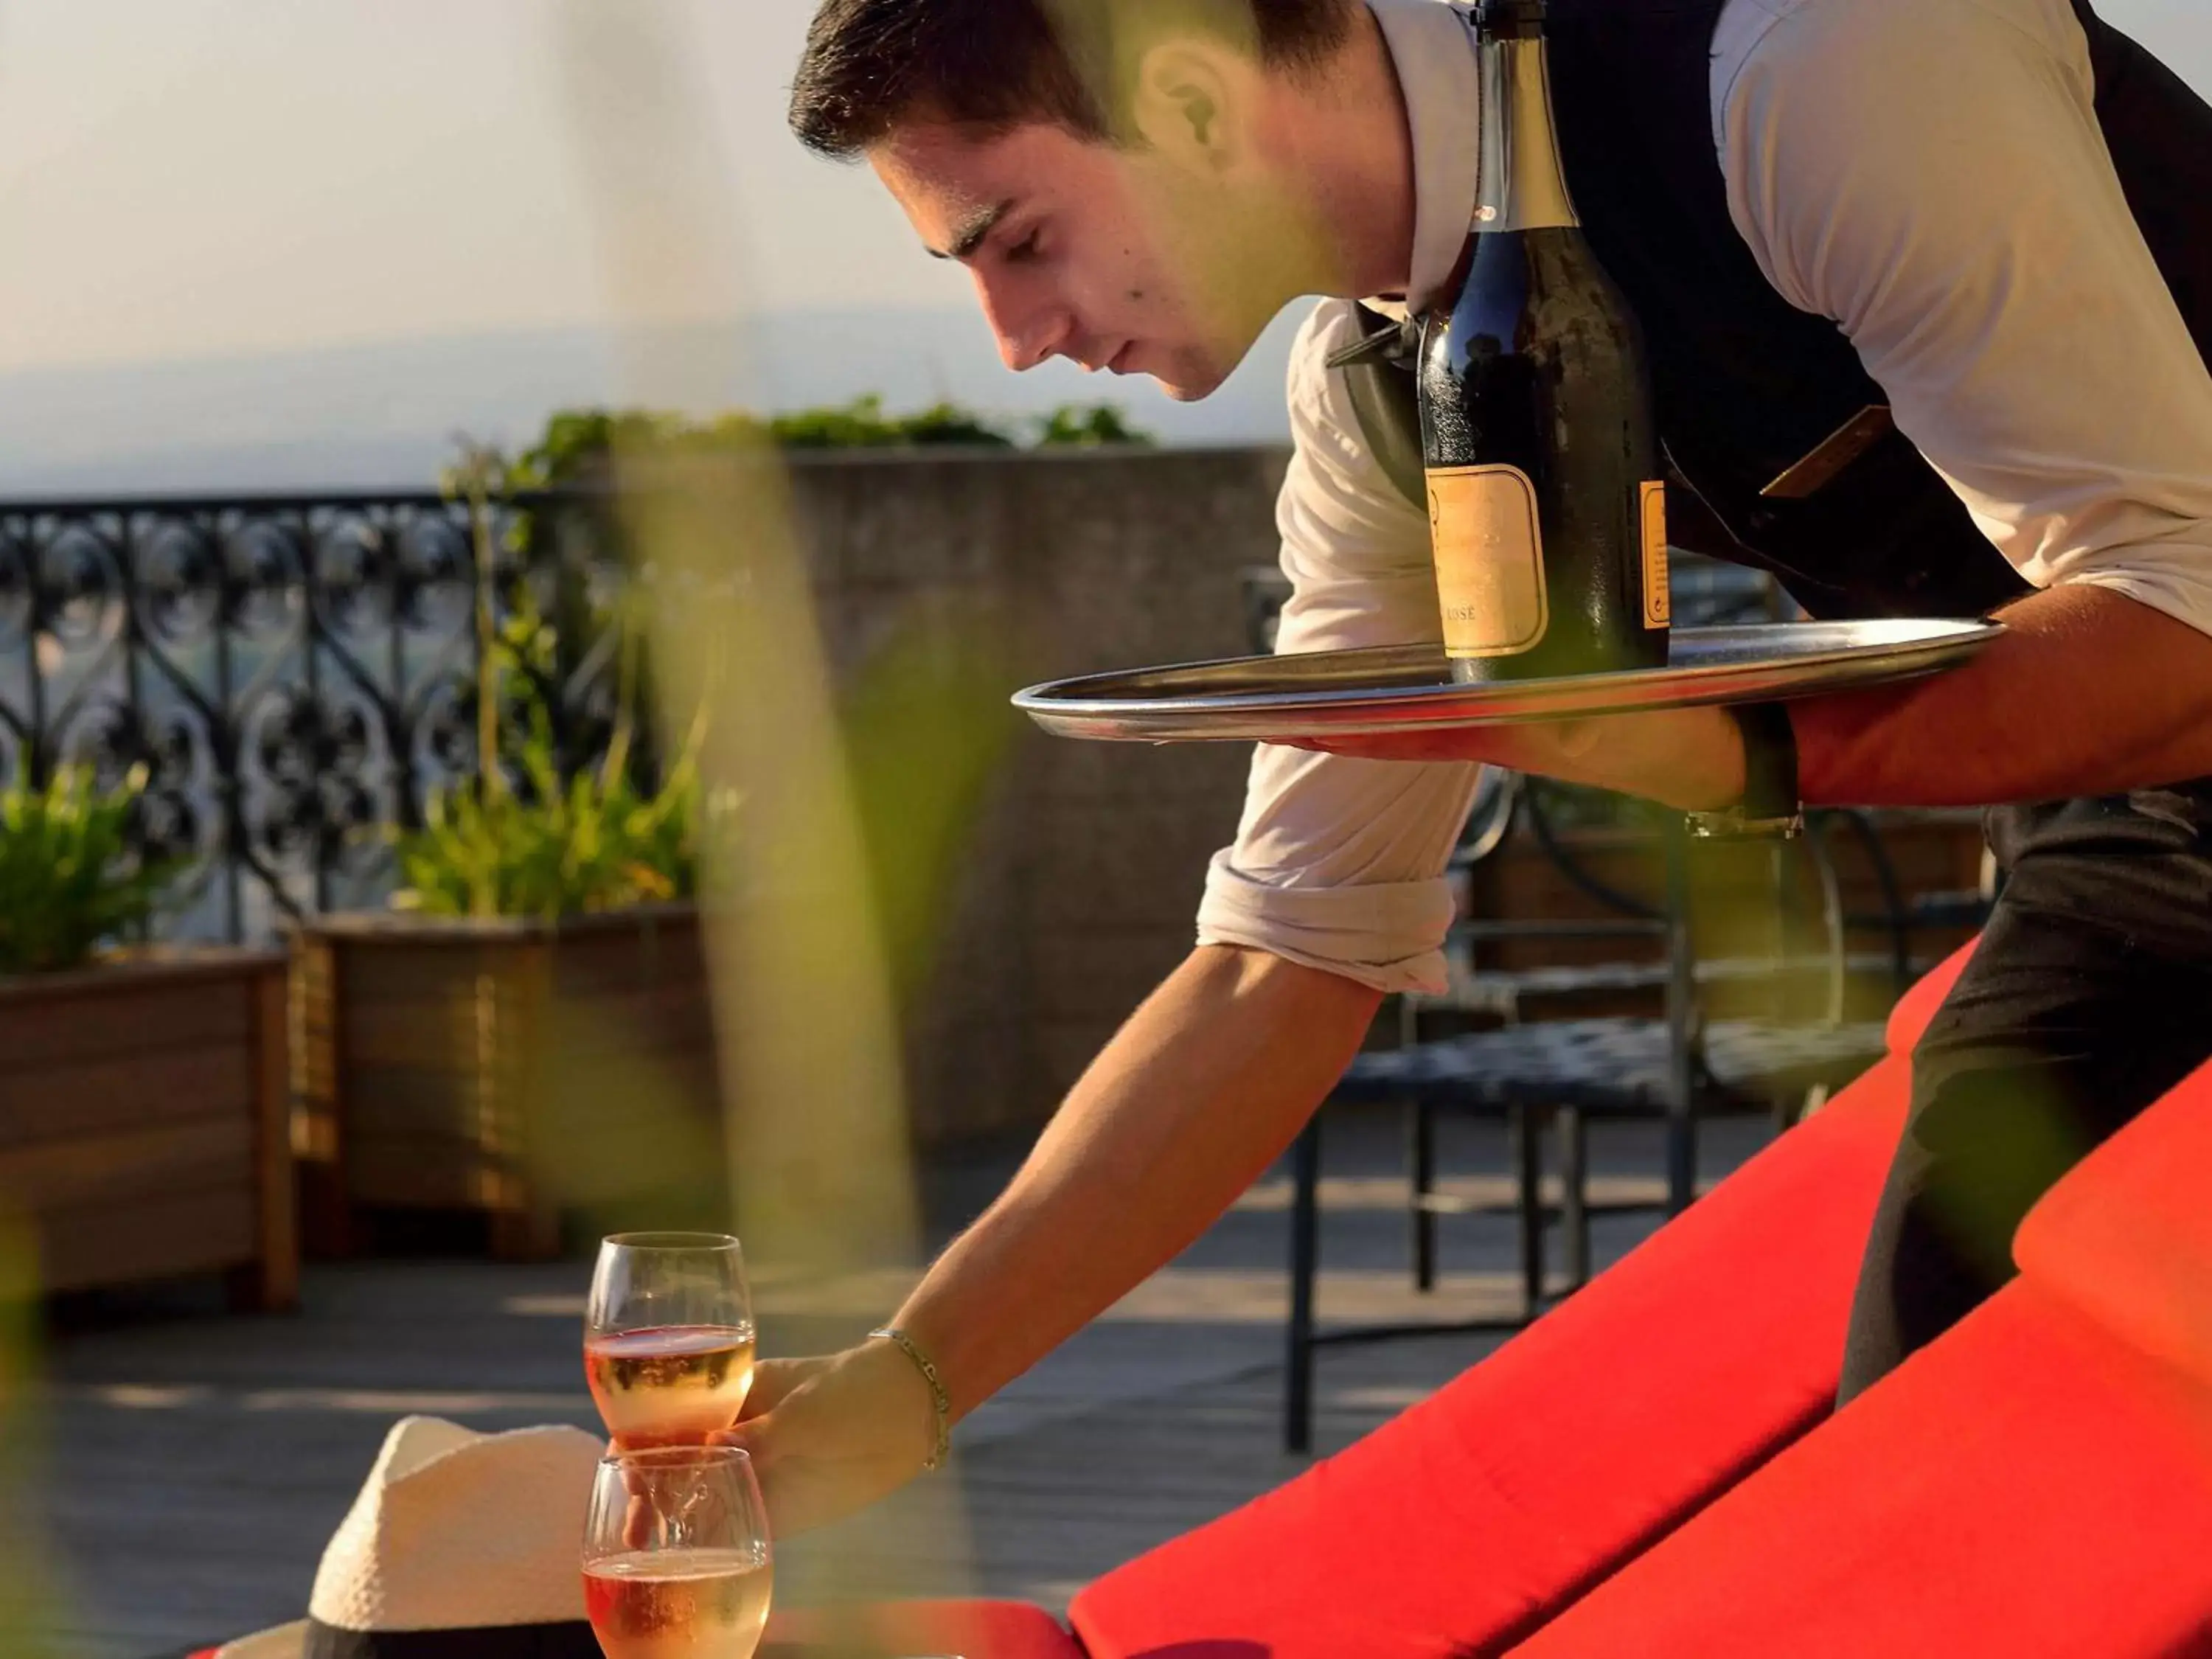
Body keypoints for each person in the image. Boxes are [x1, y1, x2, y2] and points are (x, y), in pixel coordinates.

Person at [728, 0, 2212, 1533]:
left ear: (1185, 100)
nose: (1013, 337)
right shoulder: (1377, 394)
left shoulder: (1814, 62)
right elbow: (1287, 956)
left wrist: (1723, 753)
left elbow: (2186, 620)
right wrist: (911, 1378)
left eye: (1017, 239)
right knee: (1934, 1461)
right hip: (2144, 840)